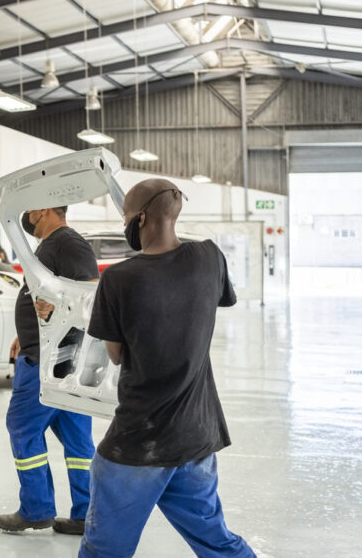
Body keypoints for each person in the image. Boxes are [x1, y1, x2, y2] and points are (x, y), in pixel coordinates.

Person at [80, 179, 254, 558]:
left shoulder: (119, 278)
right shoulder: (209, 257)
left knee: (104, 549)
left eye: (126, 218)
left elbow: (116, 354)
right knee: (216, 540)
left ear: (139, 219)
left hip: (139, 441)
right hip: (195, 435)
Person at [0, 206, 99, 536]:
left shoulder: (68, 243)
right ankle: (88, 514)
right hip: (57, 355)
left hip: (48, 361)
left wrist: (49, 319)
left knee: (22, 428)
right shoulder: (52, 245)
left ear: (42, 209)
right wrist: (25, 333)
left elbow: (92, 299)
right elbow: (48, 296)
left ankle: (36, 510)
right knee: (77, 441)